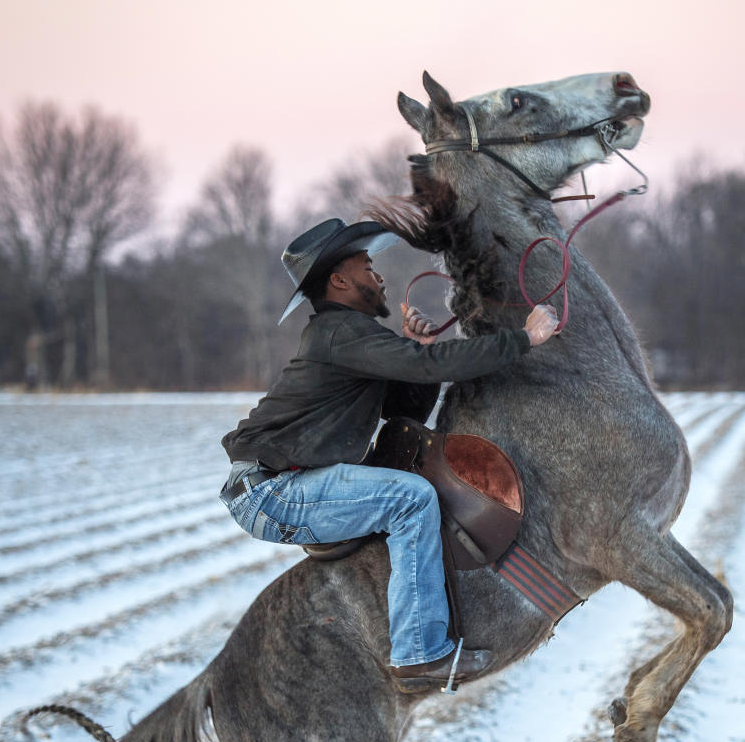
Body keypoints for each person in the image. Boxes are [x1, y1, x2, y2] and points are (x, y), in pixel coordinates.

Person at [221, 218, 556, 692]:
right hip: (273, 492)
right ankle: (418, 655)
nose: (379, 277)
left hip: (276, 487)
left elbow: (405, 407)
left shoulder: (349, 335)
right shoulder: (339, 332)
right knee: (412, 499)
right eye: (367, 266)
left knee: (406, 495)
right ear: (339, 280)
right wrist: (524, 340)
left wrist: (419, 350)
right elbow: (430, 367)